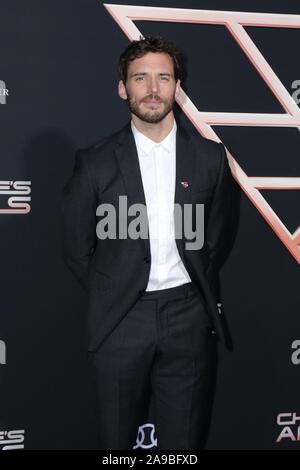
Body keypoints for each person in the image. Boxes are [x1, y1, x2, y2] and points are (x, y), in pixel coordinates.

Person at [62, 36, 234, 450]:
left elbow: (218, 237)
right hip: (121, 318)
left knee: (185, 442)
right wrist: (116, 287)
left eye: (163, 77)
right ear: (123, 87)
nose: (153, 89)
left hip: (189, 316)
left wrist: (192, 290)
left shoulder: (211, 158)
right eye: (141, 78)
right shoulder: (96, 161)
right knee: (116, 440)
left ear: (177, 86)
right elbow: (76, 247)